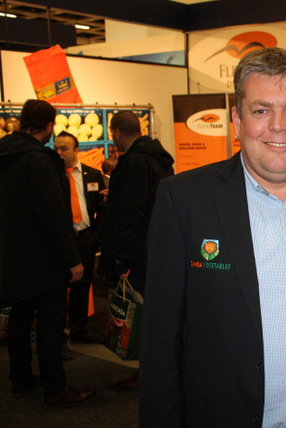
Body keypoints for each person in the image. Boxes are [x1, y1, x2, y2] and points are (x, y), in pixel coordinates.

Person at [139, 47, 286, 427]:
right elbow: (160, 339)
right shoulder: (185, 200)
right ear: (237, 119)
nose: (278, 126)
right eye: (261, 110)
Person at [0, 99, 96, 407]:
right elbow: (52, 215)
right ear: (49, 126)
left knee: (20, 316)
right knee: (51, 322)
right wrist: (72, 260)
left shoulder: (6, 155)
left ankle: (20, 377)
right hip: (43, 259)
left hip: (12, 256)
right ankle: (56, 388)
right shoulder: (40, 160)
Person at [98, 110, 174, 390]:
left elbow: (128, 214)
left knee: (141, 317)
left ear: (117, 133)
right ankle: (160, 369)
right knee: (155, 315)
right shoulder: (159, 159)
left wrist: (121, 259)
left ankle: (149, 373)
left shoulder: (134, 162)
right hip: (156, 248)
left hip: (138, 254)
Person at [53, 131, 106, 344]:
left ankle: (78, 331)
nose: (59, 152)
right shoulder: (50, 175)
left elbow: (102, 206)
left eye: (63, 148)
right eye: (56, 148)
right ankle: (57, 337)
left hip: (85, 238)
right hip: (60, 240)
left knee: (82, 288)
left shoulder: (92, 175)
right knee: (57, 290)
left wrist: (96, 236)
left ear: (76, 150)